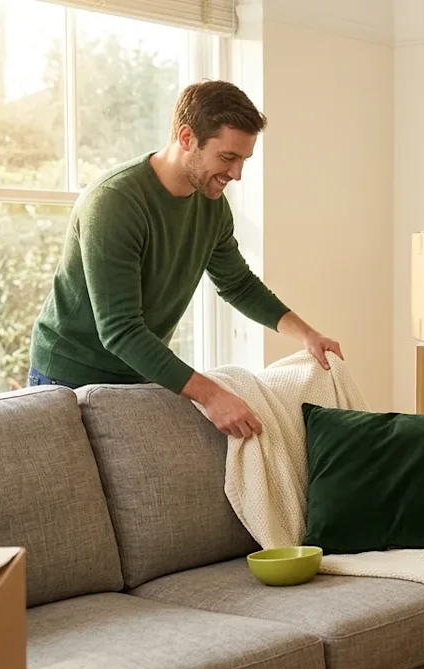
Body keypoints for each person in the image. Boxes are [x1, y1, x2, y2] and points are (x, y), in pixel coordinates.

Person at [28, 79, 341, 440]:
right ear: (187, 137)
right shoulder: (115, 203)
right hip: (69, 375)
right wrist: (212, 396)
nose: (237, 173)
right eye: (227, 157)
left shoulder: (212, 207)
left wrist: (307, 334)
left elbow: (238, 284)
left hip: (139, 374)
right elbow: (120, 329)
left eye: (243, 160)